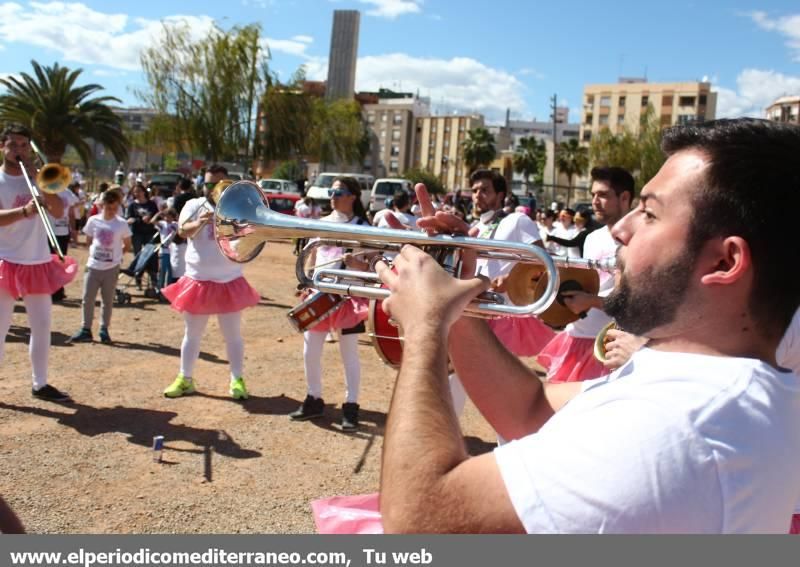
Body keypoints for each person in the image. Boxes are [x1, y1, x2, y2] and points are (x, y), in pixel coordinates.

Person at [373, 118, 800, 533]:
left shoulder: (675, 427)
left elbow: (418, 523)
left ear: (724, 262)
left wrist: (426, 324)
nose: (620, 229)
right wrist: (458, 309)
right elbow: (530, 410)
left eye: (649, 214)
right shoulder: (709, 383)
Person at [160, 164, 260, 400]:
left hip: (229, 279)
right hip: (198, 280)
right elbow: (183, 232)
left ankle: (237, 379)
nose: (211, 188)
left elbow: (251, 235)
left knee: (233, 335)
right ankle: (185, 378)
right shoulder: (193, 205)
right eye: (207, 184)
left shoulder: (237, 207)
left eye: (217, 183)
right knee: (192, 333)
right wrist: (202, 222)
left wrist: (235, 225)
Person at [0, 123, 77, 402]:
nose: (18, 150)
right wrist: (24, 211)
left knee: (42, 325)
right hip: (5, 261)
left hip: (37, 261)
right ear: (2, 147)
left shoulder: (38, 179)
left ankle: (40, 383)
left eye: (24, 145)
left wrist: (44, 186)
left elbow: (57, 211)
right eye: (13, 144)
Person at [535, 167, 634, 383]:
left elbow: (635, 302)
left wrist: (590, 301)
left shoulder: (639, 240)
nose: (595, 201)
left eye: (603, 195)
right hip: (576, 337)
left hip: (610, 346)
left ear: (625, 197)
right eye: (593, 195)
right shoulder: (591, 238)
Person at [289, 176, 370, 431]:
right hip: (320, 295)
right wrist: (307, 280)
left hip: (348, 296)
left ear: (353, 196)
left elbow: (371, 264)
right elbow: (314, 256)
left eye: (339, 192)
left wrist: (357, 264)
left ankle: (351, 406)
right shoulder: (322, 223)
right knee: (310, 350)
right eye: (331, 192)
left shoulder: (363, 226)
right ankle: (314, 398)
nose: (333, 196)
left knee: (349, 354)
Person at [67, 189, 131, 344]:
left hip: (111, 267)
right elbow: (89, 240)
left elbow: (127, 244)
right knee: (87, 298)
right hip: (93, 265)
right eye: (109, 208)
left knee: (107, 300)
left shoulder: (121, 224)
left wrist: (117, 257)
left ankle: (104, 329)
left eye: (115, 208)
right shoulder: (93, 221)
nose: (111, 211)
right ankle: (85, 329)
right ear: (103, 206)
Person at [48, 179, 80, 302]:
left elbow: (71, 213)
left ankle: (58, 291)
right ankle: (48, 290)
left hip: (63, 233)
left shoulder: (67, 193)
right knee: (48, 262)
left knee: (60, 262)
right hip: (49, 232)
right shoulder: (45, 191)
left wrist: (72, 230)